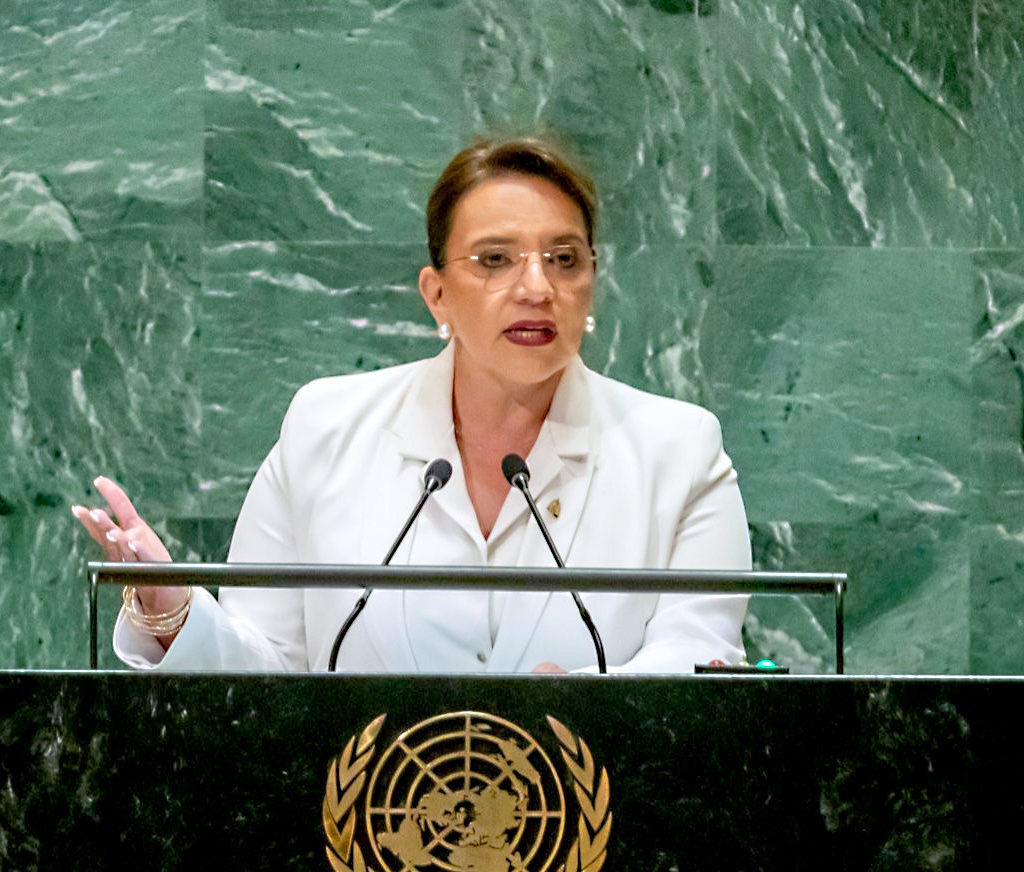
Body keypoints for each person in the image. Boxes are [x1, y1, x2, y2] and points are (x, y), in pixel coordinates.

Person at [73, 136, 751, 673]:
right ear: (436, 295)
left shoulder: (679, 451)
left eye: (564, 259)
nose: (537, 287)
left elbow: (702, 654)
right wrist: (174, 608)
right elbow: (270, 669)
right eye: (495, 260)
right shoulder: (326, 429)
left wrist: (583, 708)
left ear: (592, 284)